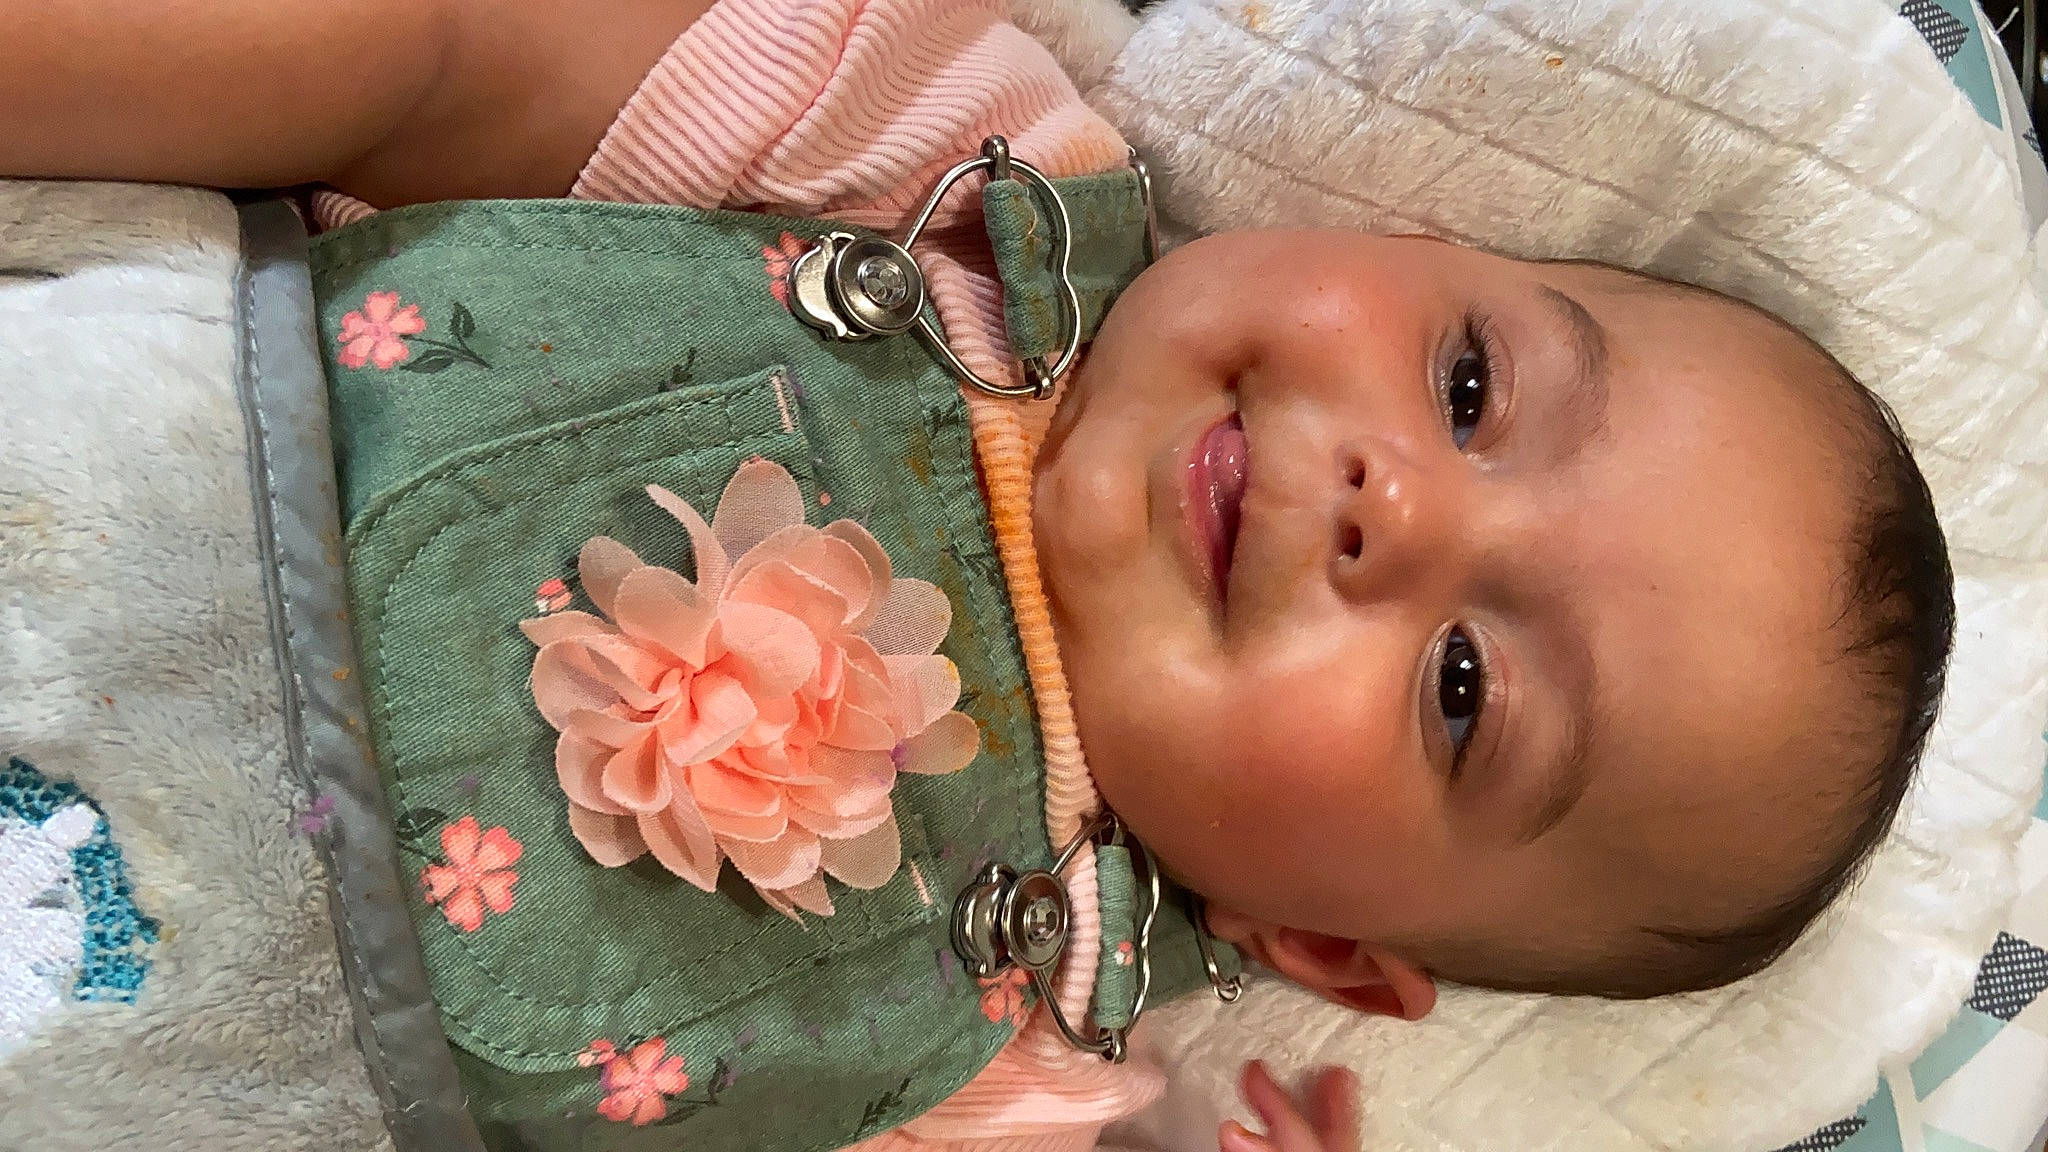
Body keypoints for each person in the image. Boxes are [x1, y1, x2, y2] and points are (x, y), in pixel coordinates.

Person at [0, 0, 1954, 1148]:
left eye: (1462, 685)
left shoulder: (992, 1080)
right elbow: (431, 59)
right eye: (1466, 386)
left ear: (1325, 950)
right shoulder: (940, 172)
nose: (1398, 510)